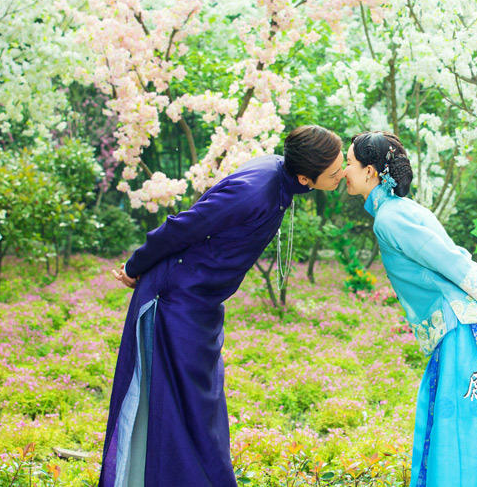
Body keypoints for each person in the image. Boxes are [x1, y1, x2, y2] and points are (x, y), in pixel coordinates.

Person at [100, 125, 346, 487]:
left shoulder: (281, 179)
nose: (342, 175)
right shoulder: (255, 191)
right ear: (305, 178)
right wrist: (136, 266)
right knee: (177, 410)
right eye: (335, 172)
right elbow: (185, 225)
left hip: (201, 304)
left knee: (201, 413)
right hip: (173, 300)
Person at [344, 131, 477, 486]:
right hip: (467, 324)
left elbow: (447, 259)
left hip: (466, 328)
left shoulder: (390, 217)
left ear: (370, 171)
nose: (344, 170)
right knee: (475, 423)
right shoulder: (401, 209)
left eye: (349, 163)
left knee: (460, 426)